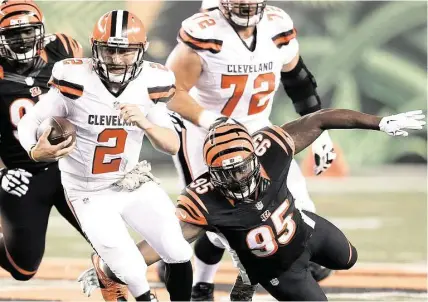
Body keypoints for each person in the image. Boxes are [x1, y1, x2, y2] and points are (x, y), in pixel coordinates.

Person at [77, 108, 425, 300]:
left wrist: (379, 122)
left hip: (302, 228)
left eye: (242, 167)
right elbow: (166, 241)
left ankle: (245, 277)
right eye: (226, 173)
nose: (239, 178)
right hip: (275, 270)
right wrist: (111, 267)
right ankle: (248, 279)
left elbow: (321, 119)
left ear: (255, 154)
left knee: (349, 258)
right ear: (211, 172)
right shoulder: (206, 200)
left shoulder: (272, 148)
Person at [161, 0, 336, 299]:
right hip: (208, 136)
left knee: (300, 209)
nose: (246, 4)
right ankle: (201, 283)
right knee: (218, 218)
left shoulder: (277, 24)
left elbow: (299, 81)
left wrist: (320, 133)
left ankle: (288, 268)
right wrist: (213, 120)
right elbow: (169, 89)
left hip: (257, 129)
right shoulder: (204, 33)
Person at [17, 10, 193, 301]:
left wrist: (146, 123)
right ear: (95, 48)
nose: (115, 58)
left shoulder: (153, 81)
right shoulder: (74, 78)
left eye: (125, 51)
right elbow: (31, 121)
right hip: (88, 190)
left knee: (178, 250)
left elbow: (172, 145)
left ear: (142, 50)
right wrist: (35, 151)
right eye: (109, 49)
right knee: (134, 271)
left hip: (131, 181)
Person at [0, 0, 84, 282]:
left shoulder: (63, 52)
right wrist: (2, 172)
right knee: (23, 269)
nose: (22, 39)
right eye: (13, 34)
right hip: (23, 173)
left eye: (28, 31)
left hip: (70, 166)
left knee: (110, 242)